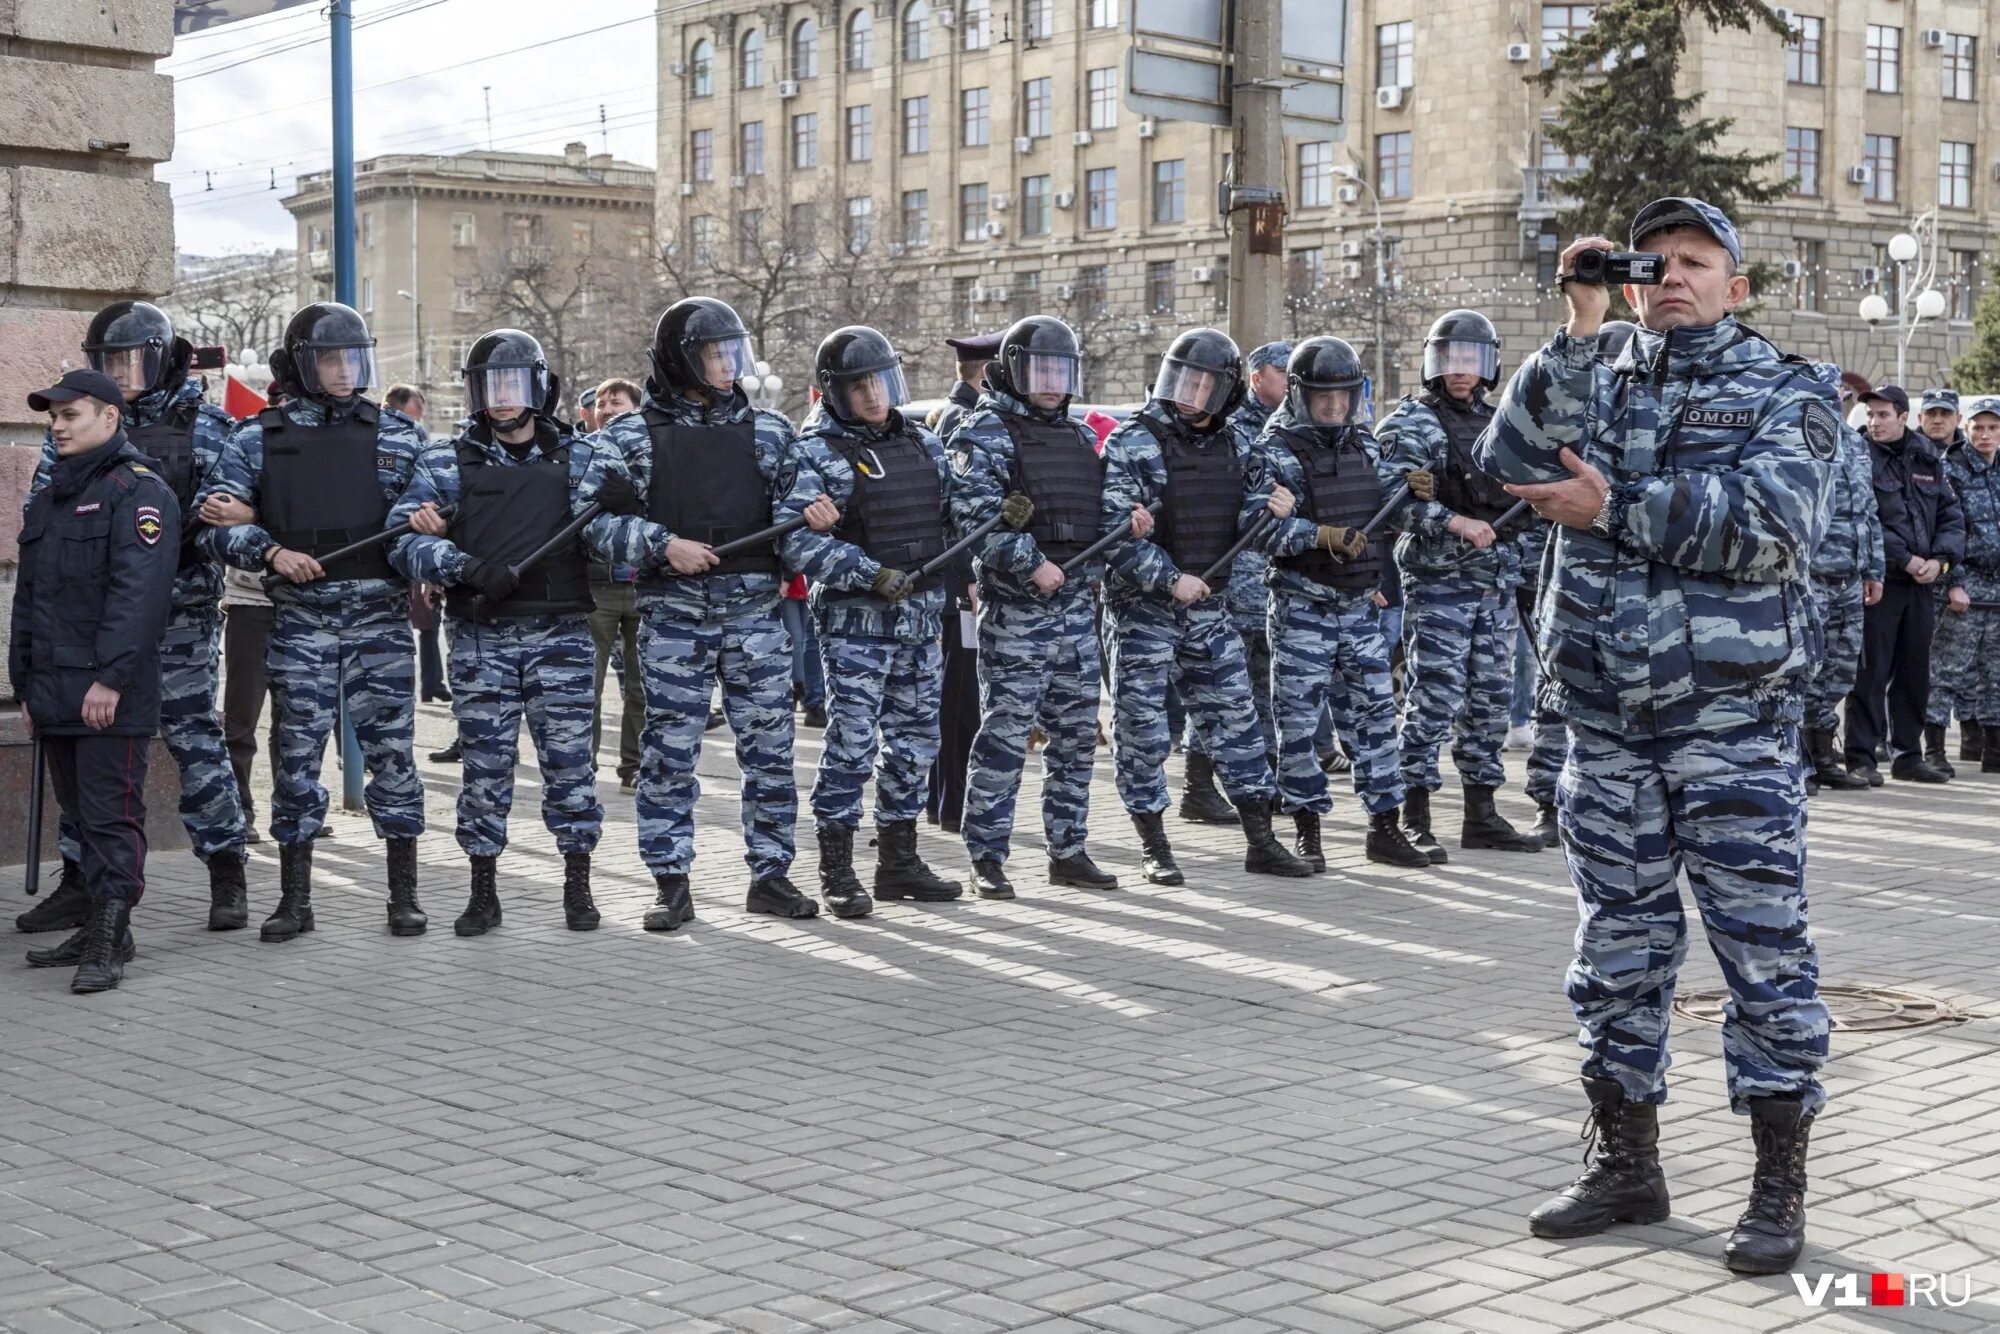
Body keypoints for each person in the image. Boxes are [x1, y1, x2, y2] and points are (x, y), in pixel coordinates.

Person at [1482, 196, 1836, 1275]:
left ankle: (1775, 1180)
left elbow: (1769, 528)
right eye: (1652, 261)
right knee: (1614, 952)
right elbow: (1506, 461)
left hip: (1726, 724)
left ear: (1735, 283)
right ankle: (1624, 1163)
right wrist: (1579, 325)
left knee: (1760, 954)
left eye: (1696, 260)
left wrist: (1613, 506)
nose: (1670, 276)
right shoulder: (1596, 368)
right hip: (1604, 725)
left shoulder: (1786, 390)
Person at [581, 297, 838, 928]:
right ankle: (671, 882)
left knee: (771, 753)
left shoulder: (772, 431)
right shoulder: (630, 437)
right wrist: (661, 544)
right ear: (682, 360)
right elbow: (591, 522)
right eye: (715, 354)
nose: (728, 366)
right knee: (669, 756)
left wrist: (822, 530)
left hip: (755, 620)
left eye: (732, 352)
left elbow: (798, 523)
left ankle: (771, 876)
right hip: (674, 620)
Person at [13, 303, 252, 938]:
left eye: (130, 359)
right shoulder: (76, 423)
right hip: (93, 623)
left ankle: (227, 869)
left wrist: (227, 529)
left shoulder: (210, 427)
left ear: (162, 357)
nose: (121, 372)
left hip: (179, 616)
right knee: (82, 743)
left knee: (194, 739)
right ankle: (81, 881)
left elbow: (228, 520)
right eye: (108, 362)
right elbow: (48, 508)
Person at [198, 302, 433, 940]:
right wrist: (271, 550)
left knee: (393, 757)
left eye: (354, 358)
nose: (343, 371)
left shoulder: (399, 434)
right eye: (330, 358)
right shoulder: (258, 436)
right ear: (303, 362)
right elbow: (211, 521)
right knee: (297, 758)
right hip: (299, 622)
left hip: (380, 622)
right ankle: (295, 900)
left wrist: (427, 535)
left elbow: (428, 509)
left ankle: (403, 895)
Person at [389, 329, 613, 934]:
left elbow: (617, 533)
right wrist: (461, 567)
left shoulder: (583, 457)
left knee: (570, 766)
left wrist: (629, 521)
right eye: (491, 385)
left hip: (560, 637)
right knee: (484, 770)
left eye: (514, 383)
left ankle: (578, 887)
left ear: (539, 387)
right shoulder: (444, 460)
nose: (504, 397)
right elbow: (402, 542)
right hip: (481, 639)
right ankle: (483, 893)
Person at [1097, 328, 1315, 882]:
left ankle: (1261, 841)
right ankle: (1155, 846)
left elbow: (1252, 528)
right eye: (1183, 379)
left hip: (1209, 611)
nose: (1189, 393)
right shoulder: (1131, 441)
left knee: (1238, 724)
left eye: (1202, 384)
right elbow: (1113, 533)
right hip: (1143, 613)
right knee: (1143, 732)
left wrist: (1276, 511)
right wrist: (1170, 580)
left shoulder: (1242, 446)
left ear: (1224, 391)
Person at [948, 315, 1137, 900]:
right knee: (1005, 739)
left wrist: (1127, 526)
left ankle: (1068, 849)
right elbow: (974, 521)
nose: (1053, 382)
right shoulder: (983, 434)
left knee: (1077, 736)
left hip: (1077, 612)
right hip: (1017, 617)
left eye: (1061, 370)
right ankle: (986, 854)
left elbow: (1097, 513)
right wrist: (1031, 563)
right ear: (1012, 372)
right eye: (1040, 370)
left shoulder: (1081, 438)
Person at [779, 326, 963, 916]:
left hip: (920, 621)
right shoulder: (814, 453)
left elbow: (952, 515)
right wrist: (866, 572)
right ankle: (836, 868)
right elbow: (799, 545)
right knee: (853, 746)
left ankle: (898, 862)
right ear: (835, 393)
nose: (873, 397)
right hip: (858, 626)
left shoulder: (923, 443)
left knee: (916, 744)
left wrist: (996, 514)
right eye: (859, 387)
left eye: (880, 383)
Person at [12, 370, 179, 992]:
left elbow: (140, 598)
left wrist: (110, 679)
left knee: (112, 817)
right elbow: (30, 600)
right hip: (54, 690)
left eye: (70, 415)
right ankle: (110, 927)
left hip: (109, 693)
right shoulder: (52, 495)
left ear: (109, 418)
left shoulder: (138, 493)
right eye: (52, 416)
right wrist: (23, 684)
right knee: (81, 815)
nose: (56, 426)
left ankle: (109, 933)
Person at [1248, 338, 1432, 869]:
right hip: (1302, 608)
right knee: (1300, 726)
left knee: (1375, 719)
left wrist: (1414, 496)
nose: (1334, 407)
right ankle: (1308, 829)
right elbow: (1258, 530)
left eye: (1343, 396)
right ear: (1302, 395)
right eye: (1323, 397)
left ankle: (1384, 828)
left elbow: (1386, 515)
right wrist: (1319, 534)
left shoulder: (1367, 447)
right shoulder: (1274, 450)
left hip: (1358, 609)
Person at [1377, 309, 1543, 861]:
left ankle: (1482, 813)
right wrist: (1452, 522)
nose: (1460, 370)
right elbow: (1389, 500)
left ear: (1489, 364)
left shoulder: (1503, 426)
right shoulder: (1411, 423)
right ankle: (1415, 811)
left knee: (1491, 701)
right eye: (1449, 359)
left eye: (1471, 360)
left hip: (1495, 584)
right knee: (1433, 697)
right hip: (1441, 583)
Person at [1177, 338, 1289, 826]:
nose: (1291, 383)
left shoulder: (1283, 427)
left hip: (1267, 584)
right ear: (1258, 376)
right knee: (1215, 691)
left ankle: (1263, 782)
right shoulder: (1232, 426)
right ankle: (1198, 787)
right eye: (1283, 373)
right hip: (1224, 584)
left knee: (1261, 689)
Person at [1845, 385, 1966, 784]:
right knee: (1871, 672)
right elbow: (1867, 518)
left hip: (1922, 584)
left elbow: (1951, 513)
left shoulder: (1927, 457)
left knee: (1915, 672)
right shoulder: (1860, 456)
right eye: (1870, 416)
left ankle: (1908, 755)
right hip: (1881, 581)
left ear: (1902, 417)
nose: (1874, 423)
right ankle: (1861, 756)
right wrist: (1907, 558)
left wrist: (1940, 560)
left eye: (1882, 415)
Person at [925, 333, 1001, 835]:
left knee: (960, 697)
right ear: (990, 371)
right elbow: (956, 517)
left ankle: (946, 800)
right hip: (961, 588)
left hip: (962, 584)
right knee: (958, 701)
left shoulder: (962, 413)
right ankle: (951, 803)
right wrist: (967, 578)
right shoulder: (962, 420)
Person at [1801, 406, 1883, 792]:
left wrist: (1874, 570)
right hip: (1813, 574)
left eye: (1837, 395)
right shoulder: (1799, 438)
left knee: (1841, 671)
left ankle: (1822, 757)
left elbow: (1869, 513)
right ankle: (1799, 761)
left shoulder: (1855, 442)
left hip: (1851, 577)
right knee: (1806, 669)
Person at [1916, 388, 1973, 774]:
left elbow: (1960, 526)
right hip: (1912, 575)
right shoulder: (1907, 454)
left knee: (1958, 668)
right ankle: (1901, 742)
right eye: (1931, 413)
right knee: (1908, 667)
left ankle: (1965, 739)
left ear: (1956, 419)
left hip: (1952, 576)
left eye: (1945, 413)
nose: (1938, 420)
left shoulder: (1969, 460)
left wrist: (1950, 570)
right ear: (1919, 418)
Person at [1949, 396, 2000, 773]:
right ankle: (1932, 749)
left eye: (1993, 427)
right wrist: (1955, 582)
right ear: (1965, 428)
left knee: (1995, 673)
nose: (1985, 434)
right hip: (1966, 586)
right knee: (1950, 671)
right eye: (1978, 427)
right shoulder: (1951, 468)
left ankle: (1993, 752)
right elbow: (1948, 532)